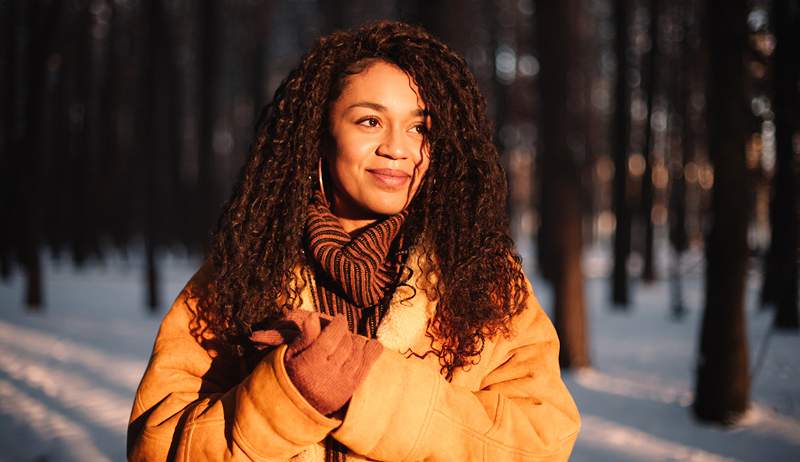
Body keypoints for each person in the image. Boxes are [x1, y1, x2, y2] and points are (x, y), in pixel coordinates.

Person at [127, 20, 580, 462]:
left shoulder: (481, 277)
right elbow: (155, 445)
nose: (398, 148)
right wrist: (284, 399)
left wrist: (366, 391)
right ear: (321, 135)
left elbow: (542, 440)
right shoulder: (242, 271)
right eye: (369, 121)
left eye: (419, 127)